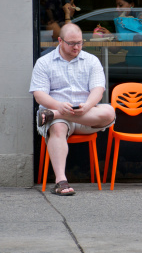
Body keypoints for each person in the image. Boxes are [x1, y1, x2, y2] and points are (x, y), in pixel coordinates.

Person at [30, 23, 116, 196]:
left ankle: (54, 115)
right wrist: (58, 106)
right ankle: (61, 182)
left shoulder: (91, 61)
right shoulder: (44, 62)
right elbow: (39, 95)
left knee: (109, 112)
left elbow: (98, 90)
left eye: (80, 42)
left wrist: (88, 106)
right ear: (60, 41)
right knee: (58, 126)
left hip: (84, 115)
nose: (76, 47)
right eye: (72, 43)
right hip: (58, 116)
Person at [94, 0, 142, 86]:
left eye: (120, 5)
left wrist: (113, 36)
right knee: (101, 72)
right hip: (131, 65)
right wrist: (105, 37)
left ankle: (116, 99)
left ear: (132, 4)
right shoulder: (124, 21)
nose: (117, 9)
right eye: (116, 6)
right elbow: (115, 49)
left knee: (104, 73)